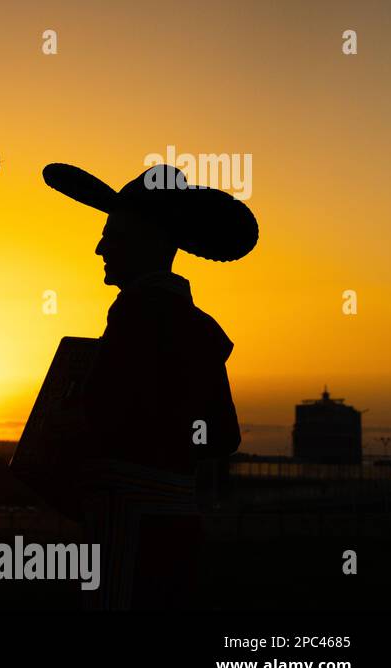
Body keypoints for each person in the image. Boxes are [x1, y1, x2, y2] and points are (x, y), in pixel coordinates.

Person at [41, 162, 257, 609]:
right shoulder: (200, 328)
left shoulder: (137, 314)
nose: (100, 246)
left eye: (114, 234)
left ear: (148, 241)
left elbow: (103, 420)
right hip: (177, 520)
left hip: (129, 524)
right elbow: (223, 434)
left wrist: (71, 429)